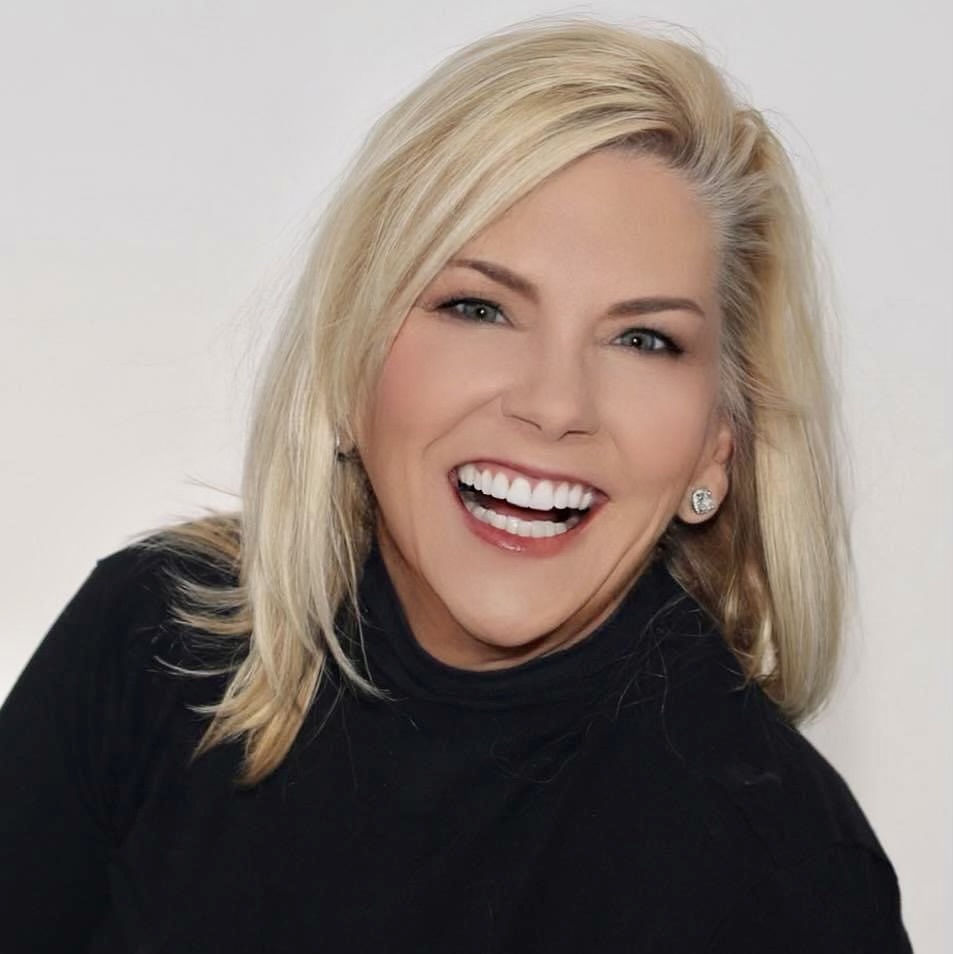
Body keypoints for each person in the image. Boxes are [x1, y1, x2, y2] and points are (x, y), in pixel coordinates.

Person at [0, 16, 912, 953]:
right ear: (350, 360)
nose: (554, 404)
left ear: (717, 446)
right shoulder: (157, 645)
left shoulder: (787, 873)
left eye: (643, 339)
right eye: (478, 307)